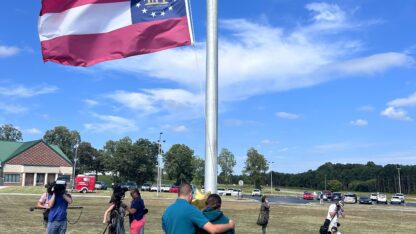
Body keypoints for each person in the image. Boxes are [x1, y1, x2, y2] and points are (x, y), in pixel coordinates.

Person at [162, 183, 235, 234]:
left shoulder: (167, 211)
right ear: (190, 195)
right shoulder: (192, 210)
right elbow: (213, 230)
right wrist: (230, 225)